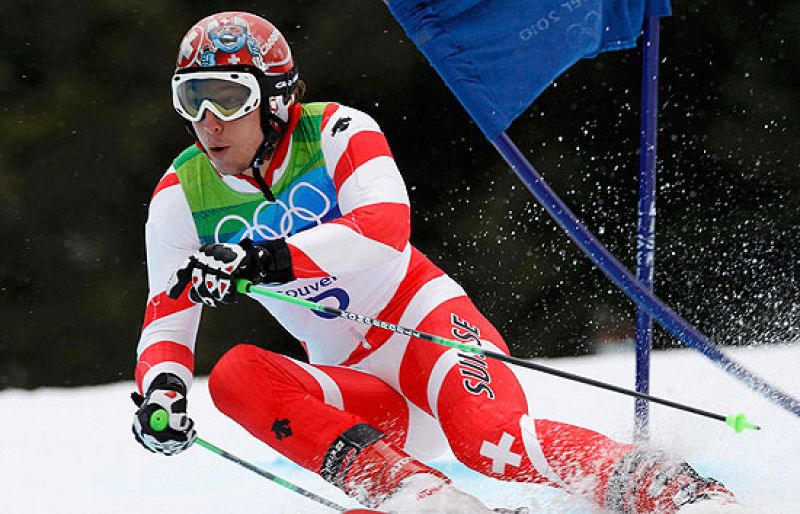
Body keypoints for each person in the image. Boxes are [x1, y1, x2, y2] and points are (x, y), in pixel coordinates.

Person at [131, 11, 743, 514]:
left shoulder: (339, 131)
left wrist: (262, 258)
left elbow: (384, 228)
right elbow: (166, 318)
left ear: (276, 98)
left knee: (490, 442)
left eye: (228, 98)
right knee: (235, 376)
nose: (208, 122)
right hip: (363, 390)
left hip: (426, 329)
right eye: (192, 99)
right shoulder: (181, 197)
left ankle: (672, 489)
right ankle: (419, 497)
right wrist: (162, 393)